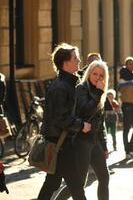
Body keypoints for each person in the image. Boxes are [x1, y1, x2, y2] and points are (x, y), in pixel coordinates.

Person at [38, 43, 91, 200]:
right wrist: (81, 125)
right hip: (59, 144)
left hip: (61, 142)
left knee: (52, 183)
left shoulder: (67, 84)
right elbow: (60, 118)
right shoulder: (60, 87)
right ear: (65, 62)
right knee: (75, 185)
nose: (79, 60)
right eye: (75, 58)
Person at [75, 60, 110, 200]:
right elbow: (85, 110)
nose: (97, 77)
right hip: (81, 140)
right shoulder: (81, 89)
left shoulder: (100, 92)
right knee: (78, 183)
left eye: (101, 75)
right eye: (94, 74)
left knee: (104, 177)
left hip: (95, 142)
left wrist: (104, 146)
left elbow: (100, 123)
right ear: (89, 73)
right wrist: (97, 93)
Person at [118, 57, 133, 158]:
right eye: (129, 64)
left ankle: (131, 149)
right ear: (126, 65)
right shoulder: (124, 74)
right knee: (127, 129)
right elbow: (125, 90)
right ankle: (127, 151)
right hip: (127, 105)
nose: (132, 65)